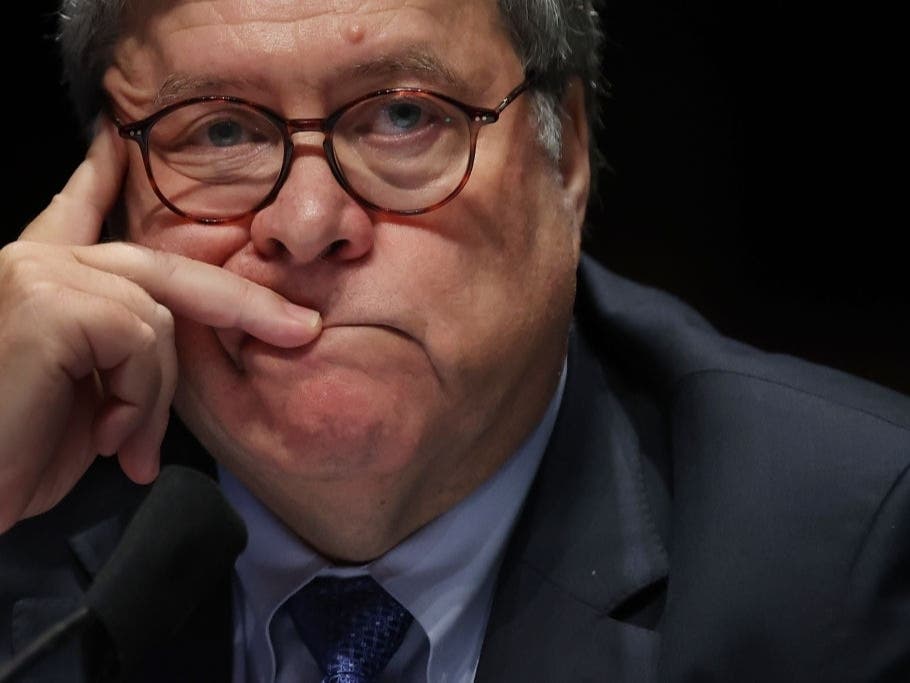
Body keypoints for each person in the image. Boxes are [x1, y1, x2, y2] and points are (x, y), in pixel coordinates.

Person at [0, 0, 907, 681]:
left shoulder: (847, 554)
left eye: (403, 115)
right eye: (222, 131)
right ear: (109, 202)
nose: (306, 222)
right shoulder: (26, 503)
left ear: (569, 158)